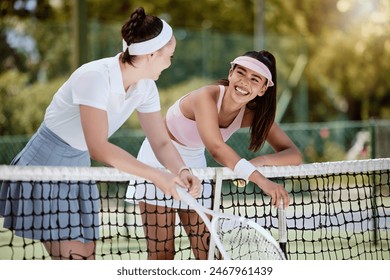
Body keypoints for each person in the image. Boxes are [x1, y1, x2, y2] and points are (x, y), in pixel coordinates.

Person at [0, 7, 200, 260]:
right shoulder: (94, 76)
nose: (171, 62)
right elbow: (99, 147)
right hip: (46, 163)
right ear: (151, 54)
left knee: (87, 261)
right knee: (75, 262)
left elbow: (160, 141)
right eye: (168, 56)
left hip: (79, 167)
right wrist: (157, 176)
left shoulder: (147, 87)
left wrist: (182, 170)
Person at [126, 50, 302, 260]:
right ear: (231, 72)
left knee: (208, 253)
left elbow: (293, 154)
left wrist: (259, 162)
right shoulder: (205, 96)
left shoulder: (252, 116)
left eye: (255, 79)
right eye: (241, 73)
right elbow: (216, 148)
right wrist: (261, 180)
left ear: (263, 89)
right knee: (162, 255)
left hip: (196, 170)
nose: (245, 82)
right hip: (158, 161)